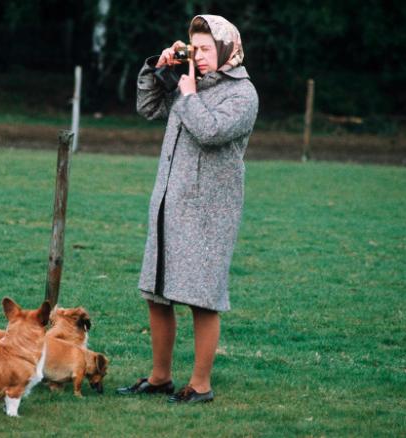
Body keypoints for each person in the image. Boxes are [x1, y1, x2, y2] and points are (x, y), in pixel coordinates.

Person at [116, 15, 259, 404]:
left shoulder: (242, 94)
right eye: (195, 49)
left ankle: (200, 385)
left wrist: (189, 91)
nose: (200, 56)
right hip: (169, 202)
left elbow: (210, 132)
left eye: (207, 49)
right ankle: (159, 377)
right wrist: (157, 69)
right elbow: (147, 108)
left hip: (209, 211)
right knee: (157, 293)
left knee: (201, 298)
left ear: (228, 49)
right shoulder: (187, 81)